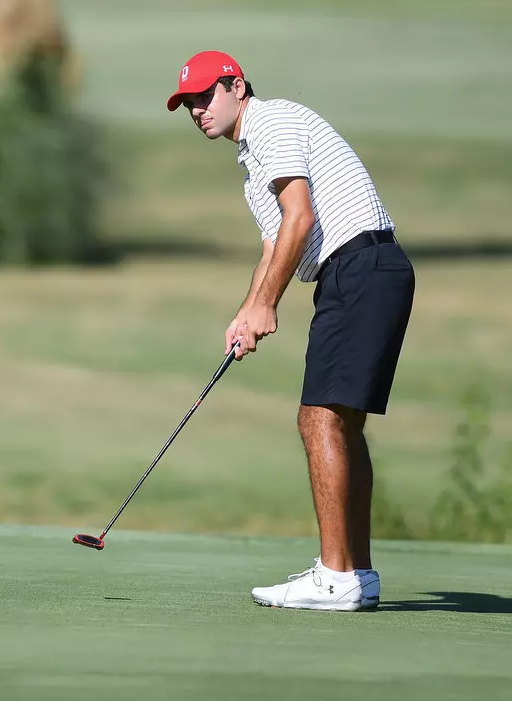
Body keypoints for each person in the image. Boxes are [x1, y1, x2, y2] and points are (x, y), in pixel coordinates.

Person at [166, 50, 415, 611]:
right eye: (189, 104)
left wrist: (269, 304)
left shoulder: (270, 122)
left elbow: (300, 218)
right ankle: (358, 573)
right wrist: (248, 309)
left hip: (358, 267)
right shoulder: (253, 164)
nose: (198, 110)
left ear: (236, 86)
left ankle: (334, 576)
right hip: (367, 272)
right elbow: (274, 244)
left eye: (207, 96)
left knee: (318, 419)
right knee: (343, 426)